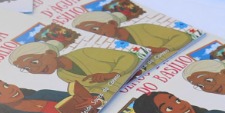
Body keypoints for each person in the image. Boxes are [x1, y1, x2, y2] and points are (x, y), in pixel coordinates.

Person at [10, 41, 142, 94]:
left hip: (139, 77)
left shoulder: (84, 53)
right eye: (27, 69)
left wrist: (113, 73)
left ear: (50, 53)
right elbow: (94, 87)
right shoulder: (63, 75)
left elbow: (128, 57)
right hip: (125, 92)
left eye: (33, 62)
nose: (35, 69)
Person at [71, 10, 193, 59]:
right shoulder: (110, 49)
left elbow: (182, 36)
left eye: (95, 28)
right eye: (89, 33)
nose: (96, 34)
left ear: (112, 23)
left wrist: (164, 48)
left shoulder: (143, 28)